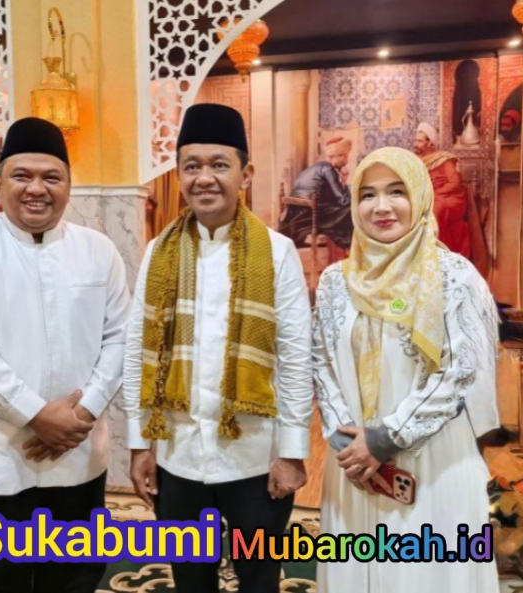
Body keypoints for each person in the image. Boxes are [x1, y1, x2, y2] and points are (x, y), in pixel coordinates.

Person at [0, 117, 131, 593]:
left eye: (51, 177)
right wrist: (37, 415)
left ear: (68, 184)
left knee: (75, 576)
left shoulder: (99, 250)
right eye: (22, 175)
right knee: (4, 579)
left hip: (78, 452)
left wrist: (80, 414)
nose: (36, 189)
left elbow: (122, 339)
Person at [124, 103, 313, 593]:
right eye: (192, 166)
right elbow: (137, 348)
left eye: (219, 165)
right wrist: (140, 444)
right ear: (179, 175)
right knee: (190, 580)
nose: (204, 178)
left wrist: (293, 452)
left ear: (245, 174)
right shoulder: (158, 252)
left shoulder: (277, 252)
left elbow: (296, 357)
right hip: (178, 456)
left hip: (254, 457)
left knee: (258, 579)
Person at [313, 147, 500, 591]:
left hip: (432, 462)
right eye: (368, 194)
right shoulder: (335, 282)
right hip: (355, 466)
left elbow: (461, 371)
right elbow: (320, 361)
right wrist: (345, 440)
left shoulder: (454, 276)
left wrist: (386, 438)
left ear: (419, 196)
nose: (381, 206)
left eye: (396, 192)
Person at [278, 136, 354, 249]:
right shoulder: (328, 169)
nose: (347, 160)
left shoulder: (318, 167)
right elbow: (343, 201)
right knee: (351, 208)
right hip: (307, 218)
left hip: (296, 216)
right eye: (346, 156)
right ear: (340, 156)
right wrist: (344, 182)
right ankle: (350, 247)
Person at [413, 122, 471, 258]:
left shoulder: (445, 159)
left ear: (430, 143)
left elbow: (455, 183)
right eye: (415, 141)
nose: (416, 144)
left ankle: (438, 255)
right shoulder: (417, 161)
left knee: (434, 210)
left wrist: (434, 195)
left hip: (451, 197)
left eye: (420, 141)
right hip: (430, 197)